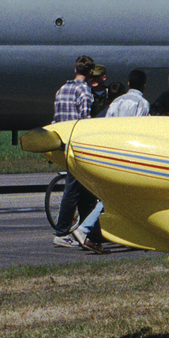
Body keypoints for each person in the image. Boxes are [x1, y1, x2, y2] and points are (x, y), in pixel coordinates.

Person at [52, 56, 100, 248]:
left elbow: (56, 117)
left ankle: (88, 230)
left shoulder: (61, 90)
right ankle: (61, 231)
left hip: (63, 141)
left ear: (75, 70)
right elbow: (85, 120)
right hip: (77, 143)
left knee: (84, 188)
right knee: (72, 189)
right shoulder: (85, 90)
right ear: (90, 73)